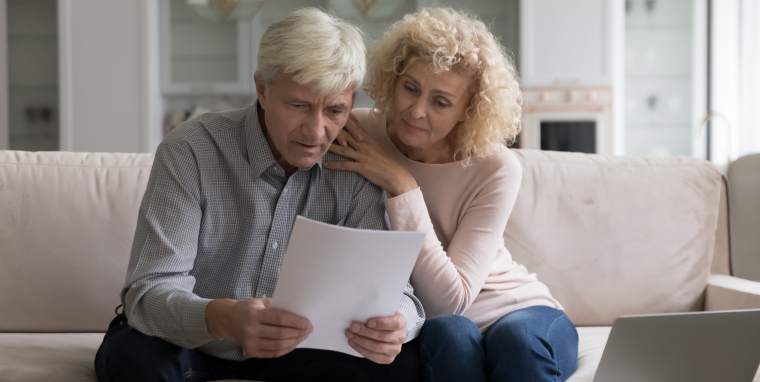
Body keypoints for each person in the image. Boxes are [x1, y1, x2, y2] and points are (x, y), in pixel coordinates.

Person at [94, 8, 425, 382]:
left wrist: (398, 323)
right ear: (262, 90)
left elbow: (401, 295)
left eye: (335, 110)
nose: (317, 131)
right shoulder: (191, 151)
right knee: (137, 358)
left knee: (406, 364)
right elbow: (148, 293)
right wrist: (224, 317)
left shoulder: (357, 165)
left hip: (301, 353)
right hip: (192, 343)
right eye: (298, 105)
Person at [325, 8, 578, 382]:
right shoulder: (359, 131)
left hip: (517, 309)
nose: (416, 110)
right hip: (434, 320)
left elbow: (452, 299)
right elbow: (441, 313)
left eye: (440, 102)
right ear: (393, 79)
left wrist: (403, 185)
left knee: (516, 339)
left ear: (468, 111)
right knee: (447, 332)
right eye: (410, 87)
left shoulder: (495, 167)